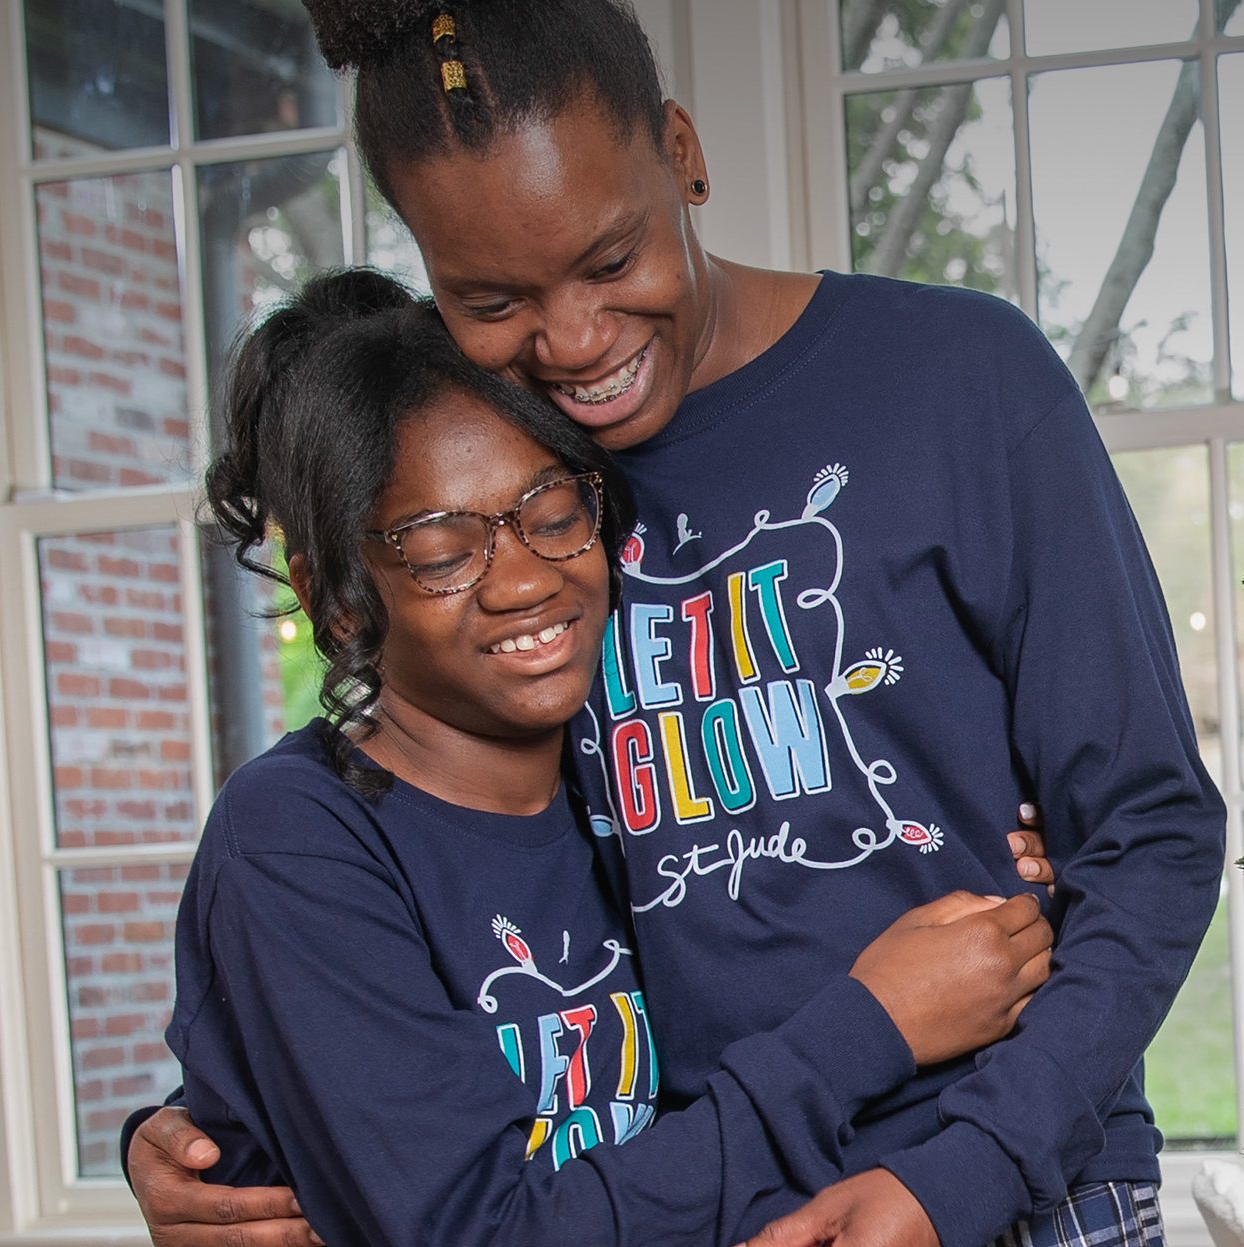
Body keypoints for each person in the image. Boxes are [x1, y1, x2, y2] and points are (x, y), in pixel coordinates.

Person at [129, 3, 1228, 1245]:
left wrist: (967, 1168)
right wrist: (224, 1121)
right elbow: (452, 883)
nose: (576, 341)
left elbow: (1151, 827)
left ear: (683, 152)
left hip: (1020, 1173)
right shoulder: (503, 453)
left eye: (610, 262)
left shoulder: (962, 381)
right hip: (705, 1207)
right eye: (491, 296)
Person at [173, 266, 1059, 1247]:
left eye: (551, 516)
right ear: (336, 596)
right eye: (440, 551)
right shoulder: (295, 833)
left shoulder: (617, 795)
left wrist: (1001, 838)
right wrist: (871, 1024)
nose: (520, 582)